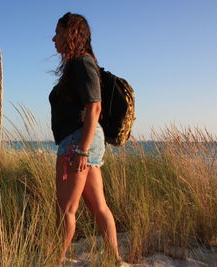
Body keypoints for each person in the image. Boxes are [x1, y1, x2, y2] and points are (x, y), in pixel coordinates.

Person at [49, 12, 122, 265]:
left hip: (78, 142)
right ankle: (114, 260)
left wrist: (81, 149)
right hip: (83, 141)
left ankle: (54, 260)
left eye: (58, 32)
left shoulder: (82, 63)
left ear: (71, 34)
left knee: (67, 210)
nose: (53, 38)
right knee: (97, 206)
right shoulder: (78, 64)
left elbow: (95, 107)